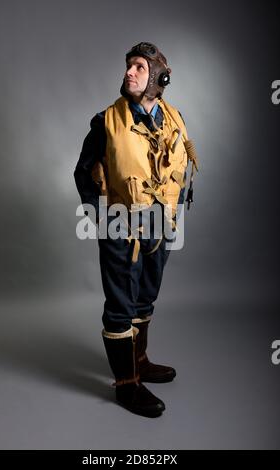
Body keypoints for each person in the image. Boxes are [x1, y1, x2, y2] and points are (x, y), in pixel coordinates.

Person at [74, 42, 198, 418]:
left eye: (139, 67)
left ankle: (139, 362)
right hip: (121, 227)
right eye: (129, 66)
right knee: (120, 306)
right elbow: (83, 172)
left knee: (145, 297)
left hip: (161, 225)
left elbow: (182, 168)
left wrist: (174, 212)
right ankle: (126, 385)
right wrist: (103, 219)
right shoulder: (105, 121)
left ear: (160, 77)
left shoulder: (174, 118)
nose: (129, 72)